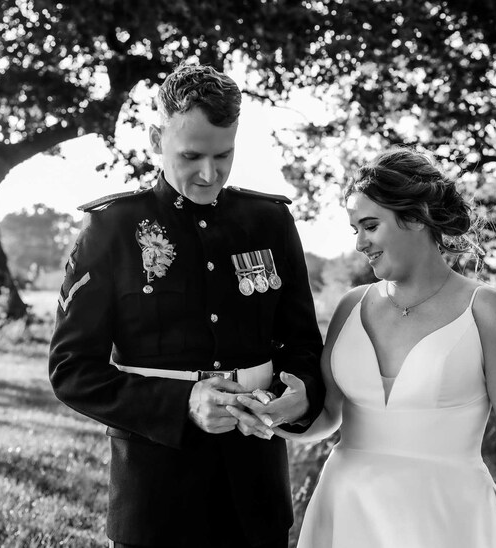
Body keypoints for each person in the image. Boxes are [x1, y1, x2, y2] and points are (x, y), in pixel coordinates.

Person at [48, 64, 325, 548]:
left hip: (255, 492)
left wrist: (302, 397)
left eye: (224, 155)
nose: (209, 173)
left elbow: (302, 344)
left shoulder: (270, 222)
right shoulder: (111, 228)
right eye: (191, 155)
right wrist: (183, 405)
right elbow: (72, 370)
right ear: (157, 139)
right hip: (156, 498)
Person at [238, 148, 496, 548]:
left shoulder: (486, 311)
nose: (360, 243)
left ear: (415, 217)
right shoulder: (351, 305)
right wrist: (277, 416)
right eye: (355, 230)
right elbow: (330, 415)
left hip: (449, 521)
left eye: (370, 226)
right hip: (347, 514)